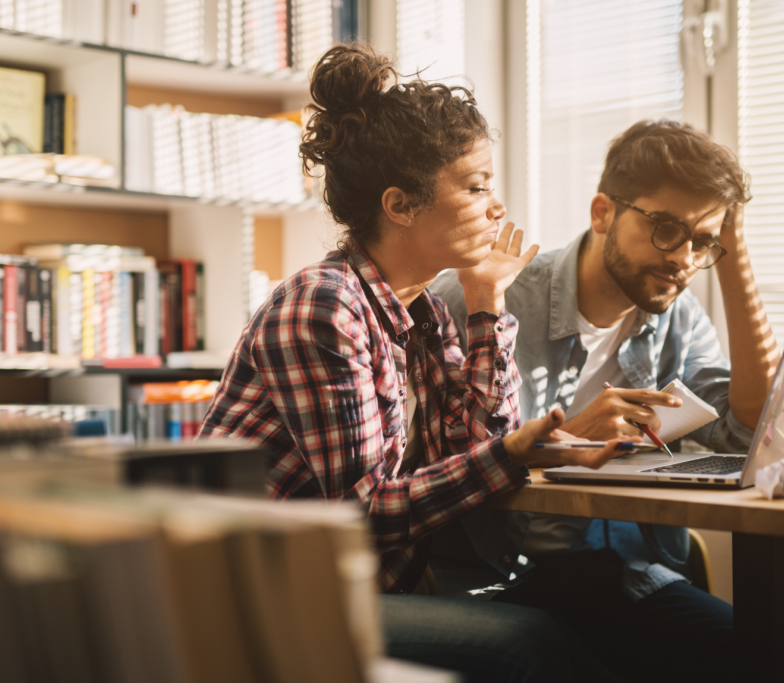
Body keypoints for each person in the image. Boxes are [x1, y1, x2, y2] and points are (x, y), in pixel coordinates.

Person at [198, 42, 631, 682]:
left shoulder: (420, 313)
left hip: (360, 589)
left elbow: (472, 447)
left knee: (592, 620)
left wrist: (486, 301)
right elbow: (365, 514)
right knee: (528, 642)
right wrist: (512, 454)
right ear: (400, 205)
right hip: (256, 599)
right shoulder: (325, 307)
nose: (497, 207)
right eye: (478, 186)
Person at [430, 119, 784, 683]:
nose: (683, 257)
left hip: (622, 573)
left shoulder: (676, 317)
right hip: (499, 575)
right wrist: (566, 440)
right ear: (603, 213)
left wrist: (734, 255)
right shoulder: (481, 296)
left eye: (702, 241)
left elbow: (750, 428)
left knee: (775, 662)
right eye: (665, 228)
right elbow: (433, 467)